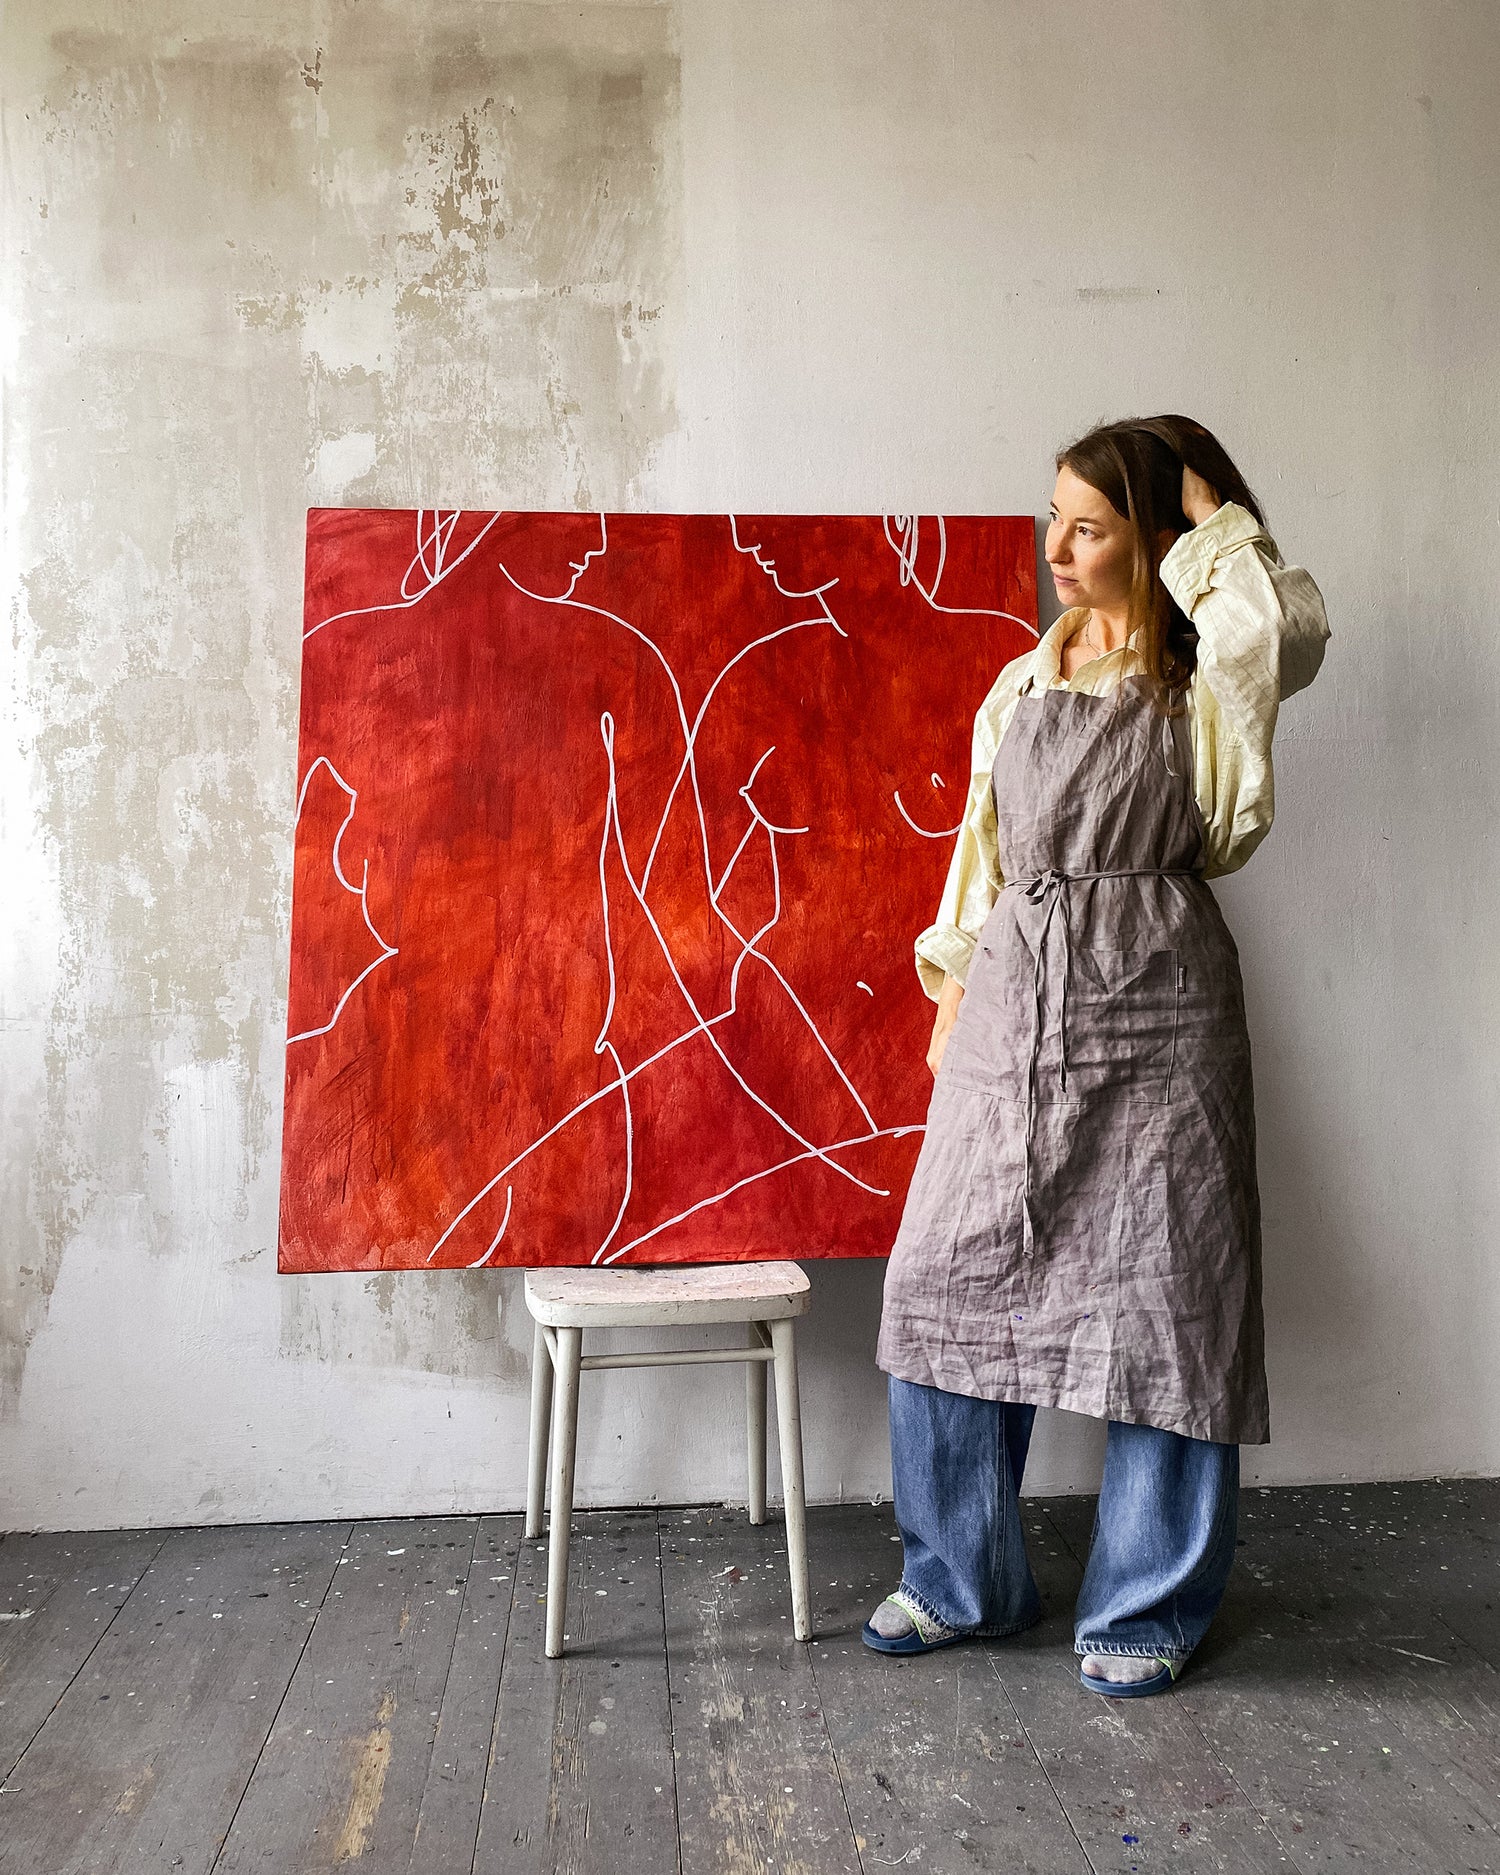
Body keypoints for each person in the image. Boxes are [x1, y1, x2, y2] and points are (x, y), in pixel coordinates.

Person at [864, 416, 1331, 1696]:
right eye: (1054, 517)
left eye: (1093, 524)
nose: (1058, 547)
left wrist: (1215, 521)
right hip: (1018, 994)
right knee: (943, 1278)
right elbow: (982, 852)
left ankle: (1144, 1607)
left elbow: (1278, 629)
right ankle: (964, 1580)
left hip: (1161, 995)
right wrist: (955, 988)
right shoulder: (1024, 682)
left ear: (1156, 540)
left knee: (1171, 1298)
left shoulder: (1207, 678)